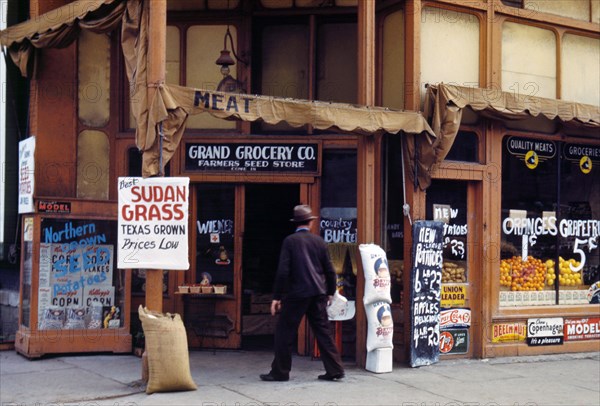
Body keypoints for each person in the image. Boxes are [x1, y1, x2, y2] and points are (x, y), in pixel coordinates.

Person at [260, 204, 345, 382]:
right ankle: (335, 369)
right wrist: (330, 291)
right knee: (323, 331)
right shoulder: (319, 242)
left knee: (285, 332)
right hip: (318, 293)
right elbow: (330, 270)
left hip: (297, 294)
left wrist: (276, 296)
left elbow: (283, 271)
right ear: (310, 223)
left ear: (296, 223)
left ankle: (280, 372)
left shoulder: (290, 241)